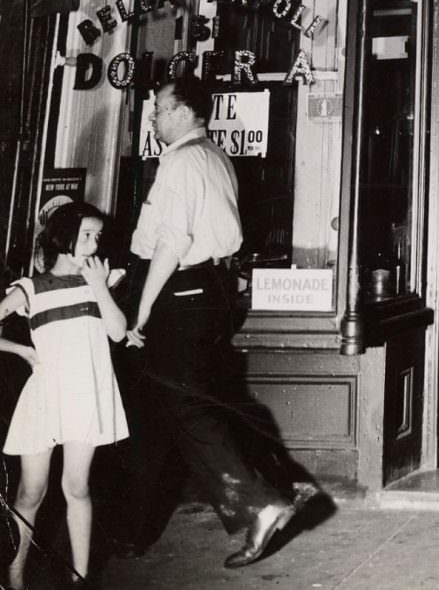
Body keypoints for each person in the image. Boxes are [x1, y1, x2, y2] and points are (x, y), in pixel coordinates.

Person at [117, 72, 303, 569]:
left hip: (180, 291)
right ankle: (133, 530)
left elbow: (173, 242)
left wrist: (141, 309)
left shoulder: (180, 161)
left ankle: (261, 503)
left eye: (158, 109)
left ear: (181, 112)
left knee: (188, 408)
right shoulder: (216, 156)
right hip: (209, 291)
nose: (153, 117)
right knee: (158, 411)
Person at [0, 202, 127, 589]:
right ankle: (14, 578)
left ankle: (81, 578)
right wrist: (21, 350)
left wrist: (102, 288)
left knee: (76, 486)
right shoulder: (31, 288)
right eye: (86, 235)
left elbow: (118, 332)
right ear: (63, 238)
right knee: (30, 491)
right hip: (46, 396)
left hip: (86, 395)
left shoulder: (100, 283)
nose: (93, 244)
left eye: (97, 237)